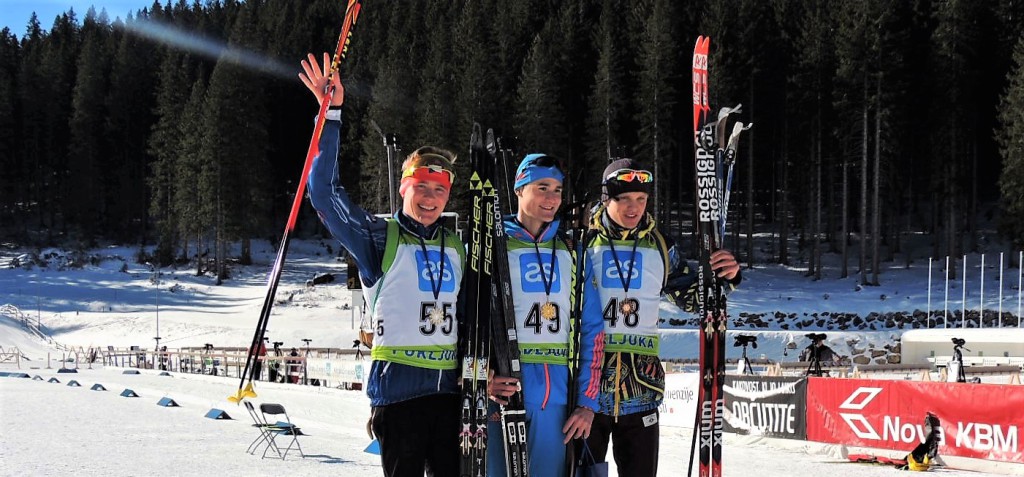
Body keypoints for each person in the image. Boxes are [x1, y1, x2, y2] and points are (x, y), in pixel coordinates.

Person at [300, 52, 465, 477]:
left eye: (440, 191)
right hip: (398, 396)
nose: (430, 199)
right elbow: (324, 193)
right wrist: (331, 114)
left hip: (449, 396)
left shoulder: (457, 243)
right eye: (421, 188)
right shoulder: (379, 235)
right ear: (405, 188)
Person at [583, 158, 741, 477]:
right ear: (606, 198)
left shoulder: (660, 245)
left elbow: (690, 299)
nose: (634, 208)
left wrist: (725, 278)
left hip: (642, 392)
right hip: (588, 395)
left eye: (641, 199)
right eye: (624, 199)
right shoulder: (582, 242)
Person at [487, 154, 605, 477]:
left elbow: (593, 329)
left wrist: (587, 403)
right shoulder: (494, 246)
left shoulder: (572, 250)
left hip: (556, 405)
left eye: (557, 190)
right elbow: (470, 322)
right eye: (542, 188)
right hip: (503, 396)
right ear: (519, 189)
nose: (552, 199)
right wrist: (482, 378)